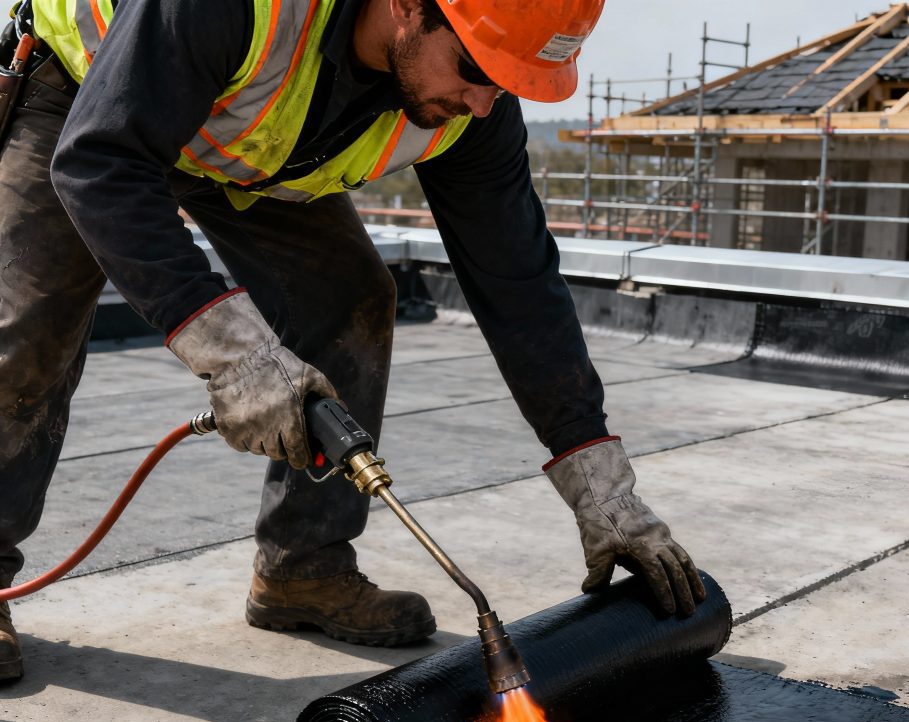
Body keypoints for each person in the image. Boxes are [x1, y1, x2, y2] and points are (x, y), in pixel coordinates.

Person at [0, 0, 705, 684]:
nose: (487, 100)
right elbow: (99, 164)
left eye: (508, 81)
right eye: (476, 68)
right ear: (406, 5)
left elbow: (518, 283)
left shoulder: (472, 98)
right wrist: (236, 356)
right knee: (25, 333)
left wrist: (601, 488)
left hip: (244, 142)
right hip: (92, 95)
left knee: (348, 300)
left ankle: (304, 567)